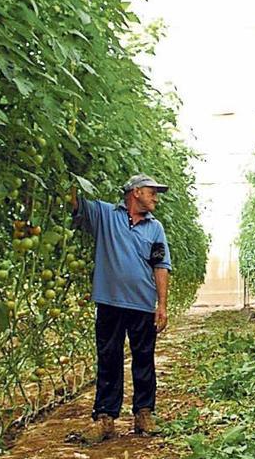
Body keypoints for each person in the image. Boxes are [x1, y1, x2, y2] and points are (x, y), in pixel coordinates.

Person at [67, 174, 172, 443]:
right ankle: (105, 418)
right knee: (109, 358)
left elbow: (160, 266)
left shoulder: (155, 228)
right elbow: (73, 201)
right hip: (110, 302)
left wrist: (162, 304)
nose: (155, 198)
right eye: (152, 192)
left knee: (144, 359)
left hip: (142, 304)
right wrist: (69, 172)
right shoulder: (105, 215)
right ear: (135, 192)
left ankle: (144, 414)